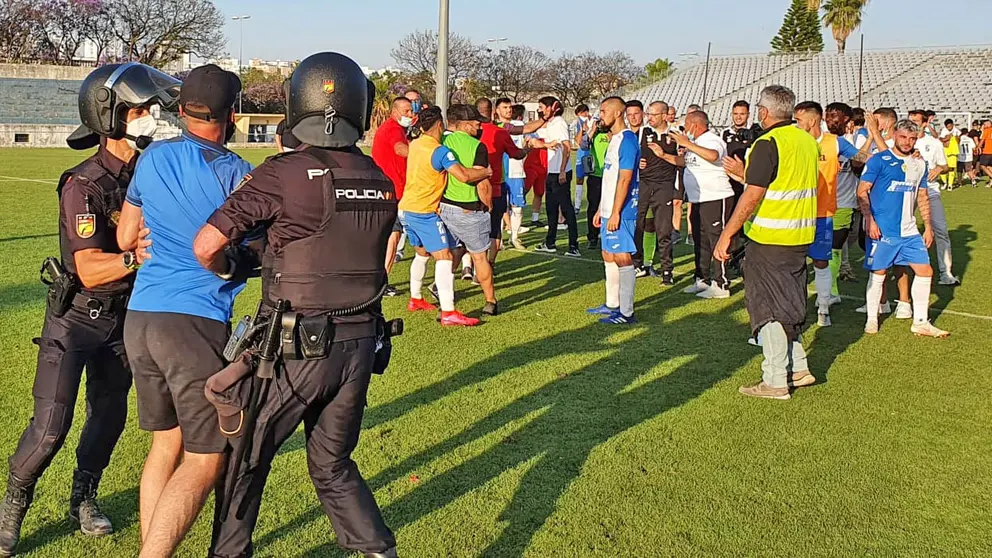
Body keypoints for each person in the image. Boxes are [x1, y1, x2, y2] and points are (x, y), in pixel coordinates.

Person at [193, 52, 401, 558]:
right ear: (359, 106)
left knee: (247, 460)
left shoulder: (282, 172)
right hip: (359, 344)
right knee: (332, 464)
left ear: (295, 102)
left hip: (294, 345)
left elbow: (206, 246)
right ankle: (376, 550)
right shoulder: (378, 178)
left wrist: (237, 264)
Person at [0, 62, 178, 557]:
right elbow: (89, 269)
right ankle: (13, 506)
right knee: (49, 428)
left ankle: (84, 497)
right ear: (111, 116)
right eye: (139, 109)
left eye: (149, 108)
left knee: (108, 418)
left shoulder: (151, 172)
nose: (149, 117)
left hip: (125, 321)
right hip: (75, 320)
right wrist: (134, 255)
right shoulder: (83, 183)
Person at [114, 64, 249, 557]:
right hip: (194, 323)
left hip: (141, 317)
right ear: (231, 113)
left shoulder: (151, 160)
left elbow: (127, 238)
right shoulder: (236, 173)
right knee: (205, 458)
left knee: (164, 446)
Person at [713, 85, 819, 401]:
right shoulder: (806, 141)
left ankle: (774, 379)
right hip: (799, 234)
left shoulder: (767, 142)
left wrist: (727, 234)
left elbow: (753, 194)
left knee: (768, 308)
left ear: (763, 112)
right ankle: (798, 366)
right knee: (788, 302)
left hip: (770, 237)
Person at [857, 119, 950, 338]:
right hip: (883, 230)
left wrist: (927, 227)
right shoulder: (879, 160)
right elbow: (862, 191)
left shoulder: (919, 164)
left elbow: (923, 195)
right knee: (879, 273)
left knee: (925, 271)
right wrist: (870, 219)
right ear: (894, 134)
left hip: (909, 232)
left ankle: (920, 322)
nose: (907, 142)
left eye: (912, 138)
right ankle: (872, 318)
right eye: (903, 137)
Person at [400, 106, 492, 326]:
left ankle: (415, 298)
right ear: (439, 125)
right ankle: (449, 311)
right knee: (445, 258)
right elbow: (463, 175)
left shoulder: (415, 144)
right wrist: (486, 172)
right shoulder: (440, 151)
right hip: (425, 212)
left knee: (421, 253)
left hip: (406, 208)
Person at [793, 101, 878, 327]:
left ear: (812, 121)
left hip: (822, 213)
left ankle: (823, 308)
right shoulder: (794, 141)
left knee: (821, 261)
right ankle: (796, 307)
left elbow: (863, 158)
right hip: (795, 213)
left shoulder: (835, 142)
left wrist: (881, 144)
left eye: (799, 120)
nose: (796, 124)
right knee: (796, 263)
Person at [440, 104, 501, 316]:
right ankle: (490, 301)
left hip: (445, 207)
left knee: (448, 255)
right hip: (470, 209)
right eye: (476, 123)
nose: (479, 126)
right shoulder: (477, 146)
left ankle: (443, 296)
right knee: (479, 258)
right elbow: (481, 182)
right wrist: (488, 206)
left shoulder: (441, 142)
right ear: (465, 125)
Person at [669, 110, 736, 298]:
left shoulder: (712, 140)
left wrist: (687, 143)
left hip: (716, 198)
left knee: (717, 240)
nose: (684, 129)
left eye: (686, 125)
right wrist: (663, 156)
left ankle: (721, 284)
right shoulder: (695, 144)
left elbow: (714, 156)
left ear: (695, 125)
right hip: (698, 199)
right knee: (701, 240)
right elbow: (686, 162)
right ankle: (702, 279)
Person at [587, 97, 640, 325]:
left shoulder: (627, 140)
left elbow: (625, 179)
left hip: (623, 210)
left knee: (622, 256)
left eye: (604, 110)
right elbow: (609, 178)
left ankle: (627, 312)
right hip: (609, 208)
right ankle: (611, 304)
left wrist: (616, 211)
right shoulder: (614, 140)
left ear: (618, 113)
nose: (601, 114)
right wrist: (602, 208)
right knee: (608, 254)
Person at [371, 97, 415, 296]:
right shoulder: (393, 129)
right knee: (393, 235)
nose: (410, 115)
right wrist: (423, 151)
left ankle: (379, 280)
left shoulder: (391, 129)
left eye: (411, 111)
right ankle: (382, 282)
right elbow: (400, 149)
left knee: (391, 234)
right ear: (395, 112)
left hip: (388, 188)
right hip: (393, 190)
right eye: (406, 111)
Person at [908, 110, 958, 286]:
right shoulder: (902, 141)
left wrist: (938, 169)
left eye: (915, 121)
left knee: (941, 231)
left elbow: (944, 166)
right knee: (901, 229)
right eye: (909, 120)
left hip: (930, 191)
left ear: (924, 123)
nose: (912, 124)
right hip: (907, 192)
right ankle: (900, 270)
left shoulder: (933, 143)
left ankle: (946, 272)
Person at [478, 102, 528, 266]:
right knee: (494, 228)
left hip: (472, 188)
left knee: (473, 229)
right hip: (496, 187)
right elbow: (517, 153)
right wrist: (528, 148)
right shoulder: (499, 132)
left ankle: (469, 266)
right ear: (493, 112)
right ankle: (489, 263)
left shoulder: (466, 133)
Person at [634, 101, 679, 283]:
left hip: (664, 186)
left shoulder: (676, 134)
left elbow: (683, 161)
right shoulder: (644, 132)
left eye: (653, 114)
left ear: (664, 115)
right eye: (648, 114)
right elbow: (636, 155)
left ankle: (667, 271)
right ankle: (637, 264)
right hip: (644, 184)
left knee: (663, 230)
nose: (649, 118)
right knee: (639, 224)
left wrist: (664, 155)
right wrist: (639, 163)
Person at [534, 96, 580, 257]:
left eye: (541, 106)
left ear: (551, 107)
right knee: (551, 209)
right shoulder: (551, 124)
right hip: (552, 173)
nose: (540, 110)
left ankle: (574, 246)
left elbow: (566, 147)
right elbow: (535, 136)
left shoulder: (559, 123)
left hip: (560, 173)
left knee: (566, 209)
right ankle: (550, 242)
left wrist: (562, 170)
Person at [585, 120, 611, 249]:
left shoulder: (614, 135)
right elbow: (583, 144)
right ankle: (593, 237)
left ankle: (608, 234)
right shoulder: (594, 134)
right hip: (595, 175)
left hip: (610, 175)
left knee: (610, 207)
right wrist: (593, 129)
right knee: (593, 207)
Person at [573, 103, 593, 211]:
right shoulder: (578, 123)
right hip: (582, 153)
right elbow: (578, 140)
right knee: (579, 179)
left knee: (592, 179)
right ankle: (577, 205)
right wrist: (582, 129)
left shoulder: (593, 121)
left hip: (591, 153)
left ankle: (592, 203)